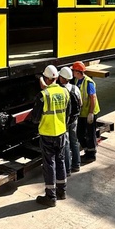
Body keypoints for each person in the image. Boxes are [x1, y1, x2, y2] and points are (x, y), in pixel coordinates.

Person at [31, 64, 70, 207]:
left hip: (47, 134)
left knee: (49, 165)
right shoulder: (65, 92)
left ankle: (50, 196)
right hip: (61, 133)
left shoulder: (43, 95)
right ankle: (62, 191)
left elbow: (35, 118)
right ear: (56, 78)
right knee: (60, 162)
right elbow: (69, 113)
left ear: (46, 79)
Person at [71, 61, 100, 163]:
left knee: (90, 134)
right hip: (82, 113)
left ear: (78, 72)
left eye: (73, 70)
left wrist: (91, 113)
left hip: (89, 113)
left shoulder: (88, 82)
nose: (72, 72)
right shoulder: (77, 80)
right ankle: (87, 152)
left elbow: (93, 97)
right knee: (80, 134)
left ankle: (91, 155)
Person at [58, 66, 83, 175]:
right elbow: (80, 103)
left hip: (65, 121)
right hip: (74, 119)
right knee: (74, 141)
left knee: (66, 144)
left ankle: (67, 169)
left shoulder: (60, 90)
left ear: (62, 78)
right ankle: (76, 165)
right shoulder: (75, 88)